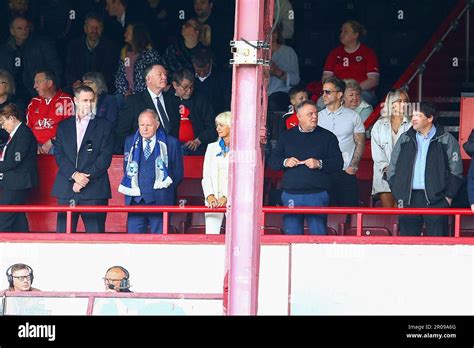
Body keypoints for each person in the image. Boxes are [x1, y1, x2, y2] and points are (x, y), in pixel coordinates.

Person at [387, 102, 463, 236]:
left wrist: (448, 198)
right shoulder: (405, 138)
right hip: (408, 199)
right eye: (413, 115)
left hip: (437, 200)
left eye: (418, 115)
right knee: (408, 246)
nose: (413, 119)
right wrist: (398, 192)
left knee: (438, 245)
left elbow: (456, 171)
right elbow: (392, 168)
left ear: (430, 118)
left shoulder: (446, 139)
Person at [269, 100, 343, 235]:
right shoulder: (286, 136)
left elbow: (338, 163)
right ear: (299, 117)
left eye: (316, 113)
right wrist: (285, 162)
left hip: (317, 194)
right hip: (291, 193)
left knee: (318, 236)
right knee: (291, 236)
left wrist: (319, 163)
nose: (315, 117)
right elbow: (273, 161)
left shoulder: (328, 137)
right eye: (310, 114)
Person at [52, 85, 114, 233]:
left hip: (94, 189)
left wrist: (83, 179)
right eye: (84, 100)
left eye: (91, 101)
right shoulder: (63, 126)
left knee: (95, 237)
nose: (88, 104)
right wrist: (74, 175)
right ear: (75, 100)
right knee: (63, 237)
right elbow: (59, 155)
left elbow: (104, 158)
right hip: (67, 188)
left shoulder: (105, 126)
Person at [119, 109, 183, 234]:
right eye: (142, 125)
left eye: (148, 125)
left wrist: (164, 189)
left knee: (159, 242)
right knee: (134, 242)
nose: (145, 129)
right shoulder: (130, 141)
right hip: (135, 200)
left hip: (160, 201)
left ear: (157, 125)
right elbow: (126, 168)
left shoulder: (171, 143)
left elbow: (178, 173)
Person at [318, 77, 365, 209]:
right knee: (324, 213)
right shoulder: (317, 117)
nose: (324, 95)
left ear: (339, 94)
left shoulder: (353, 116)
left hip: (346, 171)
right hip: (323, 172)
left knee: (349, 213)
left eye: (328, 92)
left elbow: (360, 143)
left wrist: (353, 167)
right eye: (323, 92)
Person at [116, 64, 179, 152]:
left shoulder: (173, 99)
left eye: (165, 74)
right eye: (160, 74)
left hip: (172, 151)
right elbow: (122, 132)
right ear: (148, 79)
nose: (164, 77)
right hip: (145, 153)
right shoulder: (134, 101)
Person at [0, 16, 63, 101]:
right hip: (12, 94)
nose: (24, 31)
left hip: (37, 91)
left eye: (26, 27)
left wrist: (52, 91)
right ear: (12, 31)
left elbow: (56, 68)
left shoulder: (42, 44)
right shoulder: (4, 50)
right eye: (19, 28)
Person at [322, 20, 379, 107]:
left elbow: (374, 80)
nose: (342, 34)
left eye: (346, 31)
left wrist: (352, 89)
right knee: (320, 103)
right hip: (338, 91)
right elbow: (326, 77)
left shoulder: (367, 53)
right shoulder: (335, 53)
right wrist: (336, 89)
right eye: (341, 31)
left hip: (361, 91)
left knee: (356, 102)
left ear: (355, 35)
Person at [0, 103, 38, 232]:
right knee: (18, 218)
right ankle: (23, 244)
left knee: (4, 218)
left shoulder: (23, 134)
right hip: (15, 182)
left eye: (3, 122)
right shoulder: (17, 134)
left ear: (12, 118)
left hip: (17, 183)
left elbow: (15, 161)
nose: (2, 126)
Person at [371, 89, 411, 207]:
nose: (403, 104)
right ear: (391, 103)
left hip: (404, 175)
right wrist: (386, 167)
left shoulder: (412, 125)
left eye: (405, 101)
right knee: (388, 213)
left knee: (401, 213)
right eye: (399, 101)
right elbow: (376, 151)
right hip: (384, 174)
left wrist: (398, 168)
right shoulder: (379, 125)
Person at [65, 12, 119, 93]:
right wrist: (76, 82)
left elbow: (111, 72)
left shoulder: (110, 47)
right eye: (91, 27)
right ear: (85, 28)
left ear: (102, 29)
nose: (94, 30)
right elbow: (70, 70)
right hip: (79, 89)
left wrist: (96, 84)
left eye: (97, 27)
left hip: (102, 90)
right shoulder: (74, 46)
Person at [26, 69, 74, 154]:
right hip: (35, 144)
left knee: (58, 149)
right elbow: (28, 129)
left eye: (38, 82)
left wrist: (51, 142)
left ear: (49, 83)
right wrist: (34, 145)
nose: (34, 86)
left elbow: (69, 129)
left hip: (55, 144)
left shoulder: (66, 100)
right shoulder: (34, 102)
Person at [170, 69, 216, 155]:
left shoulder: (200, 99)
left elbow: (212, 126)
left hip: (198, 149)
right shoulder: (167, 99)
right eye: (185, 87)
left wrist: (198, 140)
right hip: (173, 149)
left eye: (191, 86)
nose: (189, 90)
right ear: (175, 85)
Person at [114, 22, 162, 99]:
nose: (124, 34)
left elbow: (153, 78)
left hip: (145, 96)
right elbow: (120, 74)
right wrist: (126, 91)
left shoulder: (150, 54)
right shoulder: (125, 52)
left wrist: (137, 95)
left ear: (136, 35)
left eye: (128, 32)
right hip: (127, 95)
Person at [202, 111, 231, 234]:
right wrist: (209, 195)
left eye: (221, 125)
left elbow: (242, 179)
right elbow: (206, 175)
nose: (218, 128)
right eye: (217, 125)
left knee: (235, 236)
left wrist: (226, 196)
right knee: (211, 234)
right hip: (213, 200)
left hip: (233, 200)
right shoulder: (211, 147)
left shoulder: (241, 148)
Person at [191, 47, 231, 115]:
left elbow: (227, 100)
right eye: (198, 70)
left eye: (205, 70)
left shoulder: (222, 76)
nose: (202, 73)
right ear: (193, 65)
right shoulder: (188, 76)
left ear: (210, 63)